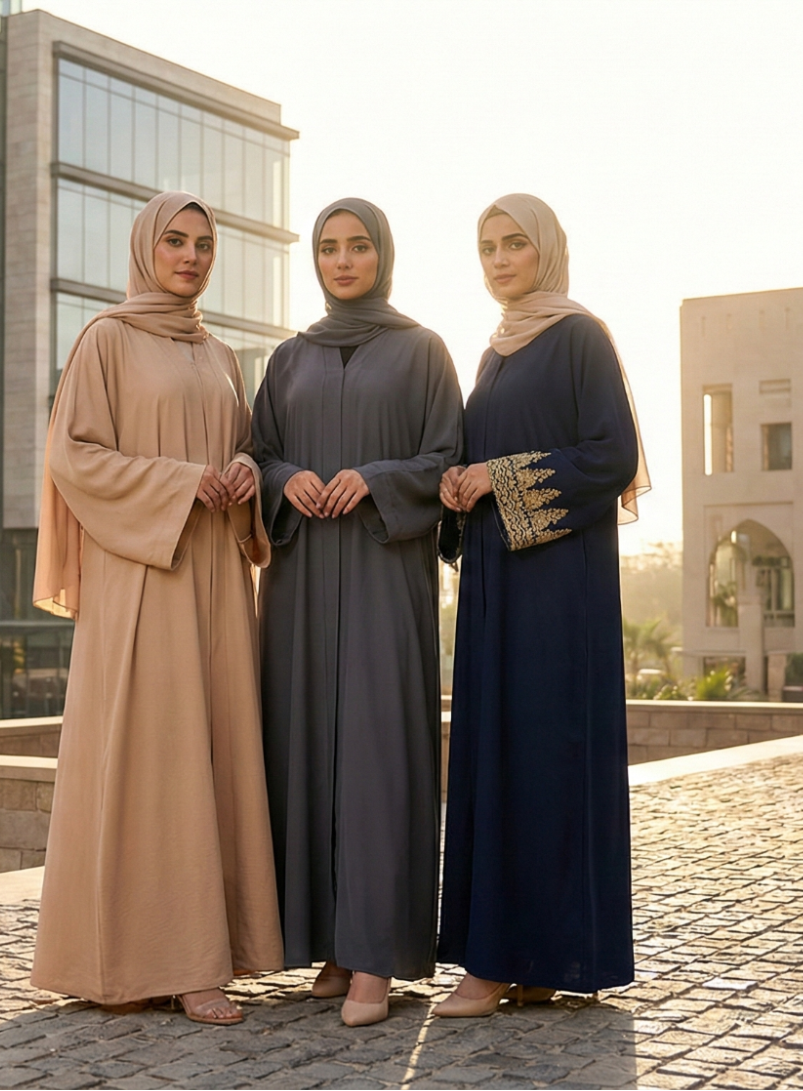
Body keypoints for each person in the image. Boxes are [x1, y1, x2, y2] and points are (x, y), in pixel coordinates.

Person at [29, 191, 284, 1026]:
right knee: (148, 760)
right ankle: (148, 959)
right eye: (175, 241)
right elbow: (73, 457)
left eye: (204, 244)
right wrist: (179, 483)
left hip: (213, 574)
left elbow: (238, 443)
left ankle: (205, 956)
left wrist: (245, 471)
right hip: (141, 577)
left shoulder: (219, 354)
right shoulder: (106, 339)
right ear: (146, 247)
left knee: (205, 755)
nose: (191, 255)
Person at [433, 193, 649, 1017]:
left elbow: (610, 453)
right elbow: (478, 456)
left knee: (545, 758)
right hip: (493, 584)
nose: (498, 259)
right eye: (485, 246)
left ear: (546, 250)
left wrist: (498, 477)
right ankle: (523, 957)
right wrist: (461, 484)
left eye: (513, 244)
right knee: (497, 757)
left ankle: (513, 958)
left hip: (559, 592)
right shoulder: (491, 352)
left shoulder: (577, 336)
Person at [252, 198, 463, 1028]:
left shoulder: (422, 351)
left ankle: (378, 954)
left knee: (378, 758)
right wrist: (283, 479)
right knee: (304, 752)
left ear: (383, 253)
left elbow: (447, 456)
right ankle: (331, 946)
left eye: (358, 246)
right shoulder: (289, 357)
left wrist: (376, 477)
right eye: (329, 248)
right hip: (302, 581)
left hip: (383, 571)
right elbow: (256, 450)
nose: (342, 261)